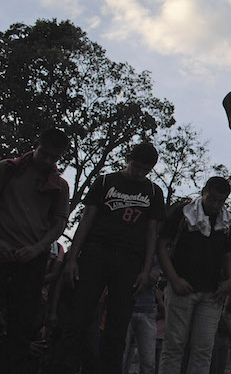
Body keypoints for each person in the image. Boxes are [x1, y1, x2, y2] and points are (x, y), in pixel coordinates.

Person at [55, 143, 165, 374]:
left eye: (145, 169)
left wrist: (146, 270)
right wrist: (73, 258)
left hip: (129, 260)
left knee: (117, 326)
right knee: (78, 318)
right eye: (136, 166)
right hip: (97, 252)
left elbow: (152, 233)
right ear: (128, 159)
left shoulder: (154, 192)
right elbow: (86, 219)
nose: (138, 173)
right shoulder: (106, 181)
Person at [0, 128, 70, 372]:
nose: (48, 160)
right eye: (45, 154)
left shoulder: (59, 185)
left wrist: (38, 248)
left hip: (32, 260)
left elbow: (59, 223)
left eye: (54, 157)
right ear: (36, 146)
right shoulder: (9, 169)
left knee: (22, 325)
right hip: (3, 251)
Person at [157, 176, 231, 374]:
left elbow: (228, 255)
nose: (215, 205)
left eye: (221, 201)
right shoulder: (182, 213)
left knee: (203, 349)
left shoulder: (226, 222)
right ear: (204, 192)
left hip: (212, 292)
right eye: (212, 199)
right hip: (182, 286)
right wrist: (173, 279)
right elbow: (161, 246)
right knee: (174, 345)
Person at [122, 259, 161, 374]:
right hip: (127, 309)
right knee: (120, 359)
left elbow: (153, 278)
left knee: (148, 362)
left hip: (146, 310)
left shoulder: (155, 255)